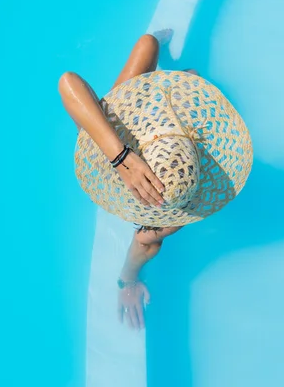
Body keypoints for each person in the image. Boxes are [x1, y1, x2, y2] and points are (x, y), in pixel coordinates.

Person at [58, 33, 253, 331]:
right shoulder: (187, 181)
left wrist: (128, 281)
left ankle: (178, 76)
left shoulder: (175, 196)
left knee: (152, 50)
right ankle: (178, 75)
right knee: (151, 45)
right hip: (140, 137)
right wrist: (123, 158)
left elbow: (68, 83)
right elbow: (146, 243)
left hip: (125, 138)